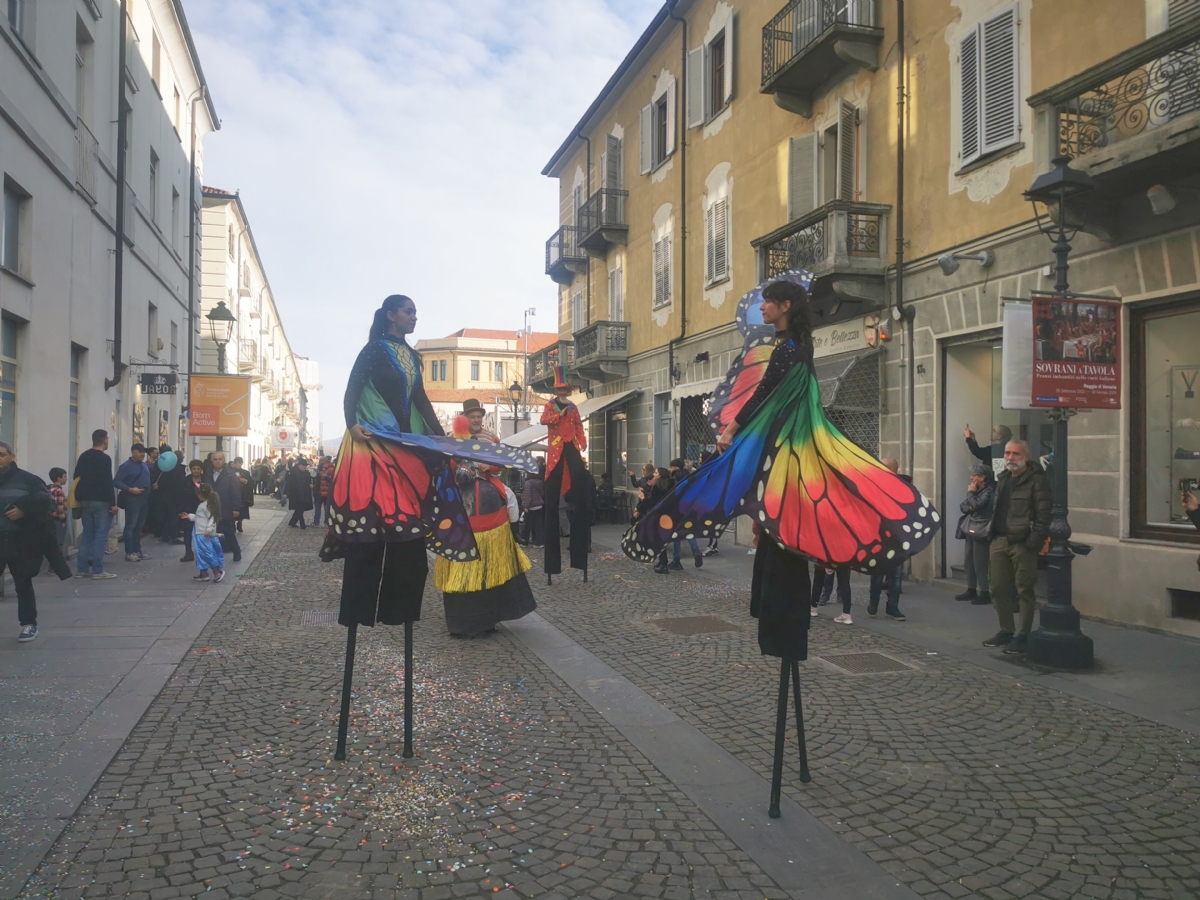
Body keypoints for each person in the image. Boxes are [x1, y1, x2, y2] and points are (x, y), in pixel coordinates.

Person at [626, 276, 938, 661]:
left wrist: (734, 427)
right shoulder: (796, 345)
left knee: (736, 486)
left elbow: (764, 393)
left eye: (769, 302)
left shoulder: (789, 348)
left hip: (788, 442)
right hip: (788, 443)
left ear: (785, 307)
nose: (763, 307)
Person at [322, 294, 536, 631]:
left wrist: (441, 439)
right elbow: (352, 389)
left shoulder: (411, 355)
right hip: (373, 443)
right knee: (369, 531)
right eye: (409, 312)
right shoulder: (374, 349)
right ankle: (358, 610)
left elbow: (420, 398)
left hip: (407, 446)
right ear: (391, 315)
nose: (414, 317)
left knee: (407, 533)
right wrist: (352, 424)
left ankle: (399, 610)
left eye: (416, 312)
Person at [435, 458, 536, 636]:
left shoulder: (478, 446)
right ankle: (515, 532)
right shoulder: (461, 455)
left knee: (508, 495)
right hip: (477, 536)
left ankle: (461, 625)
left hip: (461, 539)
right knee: (509, 496)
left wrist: (488, 466)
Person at [982, 439, 1052, 655]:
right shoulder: (1003, 478)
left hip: (1023, 542)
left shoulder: (1036, 480)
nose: (1010, 458)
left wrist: (1033, 543)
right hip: (1000, 540)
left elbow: (1044, 515)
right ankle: (1006, 630)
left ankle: (1023, 635)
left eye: (1015, 454)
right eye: (1007, 453)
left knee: (1024, 590)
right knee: (998, 587)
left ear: (1026, 456)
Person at [1, 442, 63, 642]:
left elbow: (46, 501)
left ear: (12, 456)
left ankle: (28, 624)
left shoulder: (28, 480)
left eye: (1, 454)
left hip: (19, 540)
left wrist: (24, 510)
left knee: (22, 582)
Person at [541, 366, 589, 578]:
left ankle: (580, 553)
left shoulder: (574, 407)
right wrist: (557, 415)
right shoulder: (550, 406)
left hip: (571, 447)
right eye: (559, 390)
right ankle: (552, 565)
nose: (562, 393)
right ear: (555, 390)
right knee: (552, 497)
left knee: (581, 478)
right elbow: (544, 420)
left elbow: (578, 425)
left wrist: (583, 440)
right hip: (557, 450)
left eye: (565, 389)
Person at [867, 458, 908, 621]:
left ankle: (893, 607)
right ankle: (873, 603)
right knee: (877, 574)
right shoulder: (874, 486)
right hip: (879, 537)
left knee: (896, 576)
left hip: (898, 538)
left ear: (892, 470)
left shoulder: (903, 488)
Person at [73, 429, 118, 579]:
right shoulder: (105, 459)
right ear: (105, 440)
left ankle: (82, 569)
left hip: (85, 500)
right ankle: (98, 570)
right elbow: (107, 482)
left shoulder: (84, 456)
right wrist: (113, 503)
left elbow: (76, 476)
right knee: (100, 535)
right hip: (101, 501)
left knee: (87, 535)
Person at [956, 463, 995, 605]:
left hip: (982, 528)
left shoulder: (988, 491)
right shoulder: (977, 491)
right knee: (969, 560)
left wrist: (971, 495)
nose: (971, 478)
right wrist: (972, 502)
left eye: (974, 475)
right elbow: (964, 506)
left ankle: (984, 591)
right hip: (971, 527)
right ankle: (971, 588)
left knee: (980, 562)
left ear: (982, 477)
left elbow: (979, 505)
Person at [113, 443, 152, 562]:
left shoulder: (144, 465)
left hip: (144, 499)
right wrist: (130, 489)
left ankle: (137, 550)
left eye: (144, 452)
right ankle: (129, 552)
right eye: (140, 451)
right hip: (133, 500)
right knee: (131, 526)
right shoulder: (126, 466)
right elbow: (116, 482)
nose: (142, 454)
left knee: (139, 526)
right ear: (133, 452)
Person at [181, 482, 224, 583]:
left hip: (204, 533)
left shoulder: (205, 505)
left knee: (207, 553)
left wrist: (209, 529)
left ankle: (217, 570)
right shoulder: (205, 505)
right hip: (200, 532)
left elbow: (212, 518)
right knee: (200, 553)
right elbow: (201, 517)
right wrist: (190, 516)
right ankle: (203, 573)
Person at [204, 451, 242, 563]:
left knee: (228, 531)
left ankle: (236, 551)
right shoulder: (207, 473)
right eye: (215, 459)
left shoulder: (230, 474)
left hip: (224, 506)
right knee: (211, 532)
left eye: (220, 459)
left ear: (223, 460)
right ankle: (213, 552)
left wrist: (236, 508)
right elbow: (202, 487)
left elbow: (235, 491)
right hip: (210, 507)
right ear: (212, 461)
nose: (217, 461)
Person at [666, 459, 702, 570]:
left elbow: (674, 492)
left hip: (678, 508)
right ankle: (696, 552)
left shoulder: (675, 477)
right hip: (689, 507)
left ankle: (676, 560)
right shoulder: (688, 475)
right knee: (689, 531)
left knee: (676, 535)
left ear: (676, 467)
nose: (670, 469)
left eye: (671, 467)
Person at [177, 459, 205, 563]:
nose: (196, 471)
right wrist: (180, 510)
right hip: (188, 509)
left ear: (201, 470)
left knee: (201, 533)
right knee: (187, 532)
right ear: (190, 469)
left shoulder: (204, 481)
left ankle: (202, 553)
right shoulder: (186, 481)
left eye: (198, 469)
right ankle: (188, 552)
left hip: (202, 510)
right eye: (194, 469)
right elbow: (180, 496)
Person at [48, 467, 70, 559]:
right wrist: (63, 520)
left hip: (48, 519)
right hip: (57, 520)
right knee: (59, 542)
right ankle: (54, 567)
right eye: (64, 476)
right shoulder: (59, 491)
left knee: (51, 542)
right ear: (58, 478)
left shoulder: (48, 489)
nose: (66, 478)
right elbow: (60, 509)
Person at [519, 468, 545, 546]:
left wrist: (525, 506)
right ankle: (539, 542)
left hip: (530, 507)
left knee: (527, 526)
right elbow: (542, 493)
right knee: (538, 525)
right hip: (539, 505)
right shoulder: (539, 482)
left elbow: (527, 495)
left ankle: (524, 541)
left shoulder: (528, 483)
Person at [286, 458, 314, 528]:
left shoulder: (307, 473)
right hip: (296, 494)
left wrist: (310, 484)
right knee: (300, 508)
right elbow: (289, 483)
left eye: (305, 465)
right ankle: (302, 524)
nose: (304, 466)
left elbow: (309, 481)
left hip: (305, 493)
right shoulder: (294, 472)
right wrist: (285, 493)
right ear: (299, 465)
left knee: (300, 509)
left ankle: (292, 522)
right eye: (303, 465)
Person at [231, 457, 254, 533]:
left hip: (243, 494)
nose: (238, 464)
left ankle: (239, 523)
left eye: (239, 462)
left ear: (241, 463)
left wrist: (246, 481)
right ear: (234, 463)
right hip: (232, 494)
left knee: (242, 511)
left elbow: (251, 483)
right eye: (236, 462)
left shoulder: (245, 473)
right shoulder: (230, 472)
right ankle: (232, 525)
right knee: (232, 510)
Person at [313, 456, 334, 527]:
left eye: (322, 460)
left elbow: (333, 480)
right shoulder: (318, 469)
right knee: (317, 507)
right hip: (319, 491)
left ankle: (327, 522)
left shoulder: (331, 469)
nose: (321, 461)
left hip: (327, 491)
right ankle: (316, 522)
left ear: (326, 461)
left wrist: (326, 476)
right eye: (320, 460)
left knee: (326, 508)